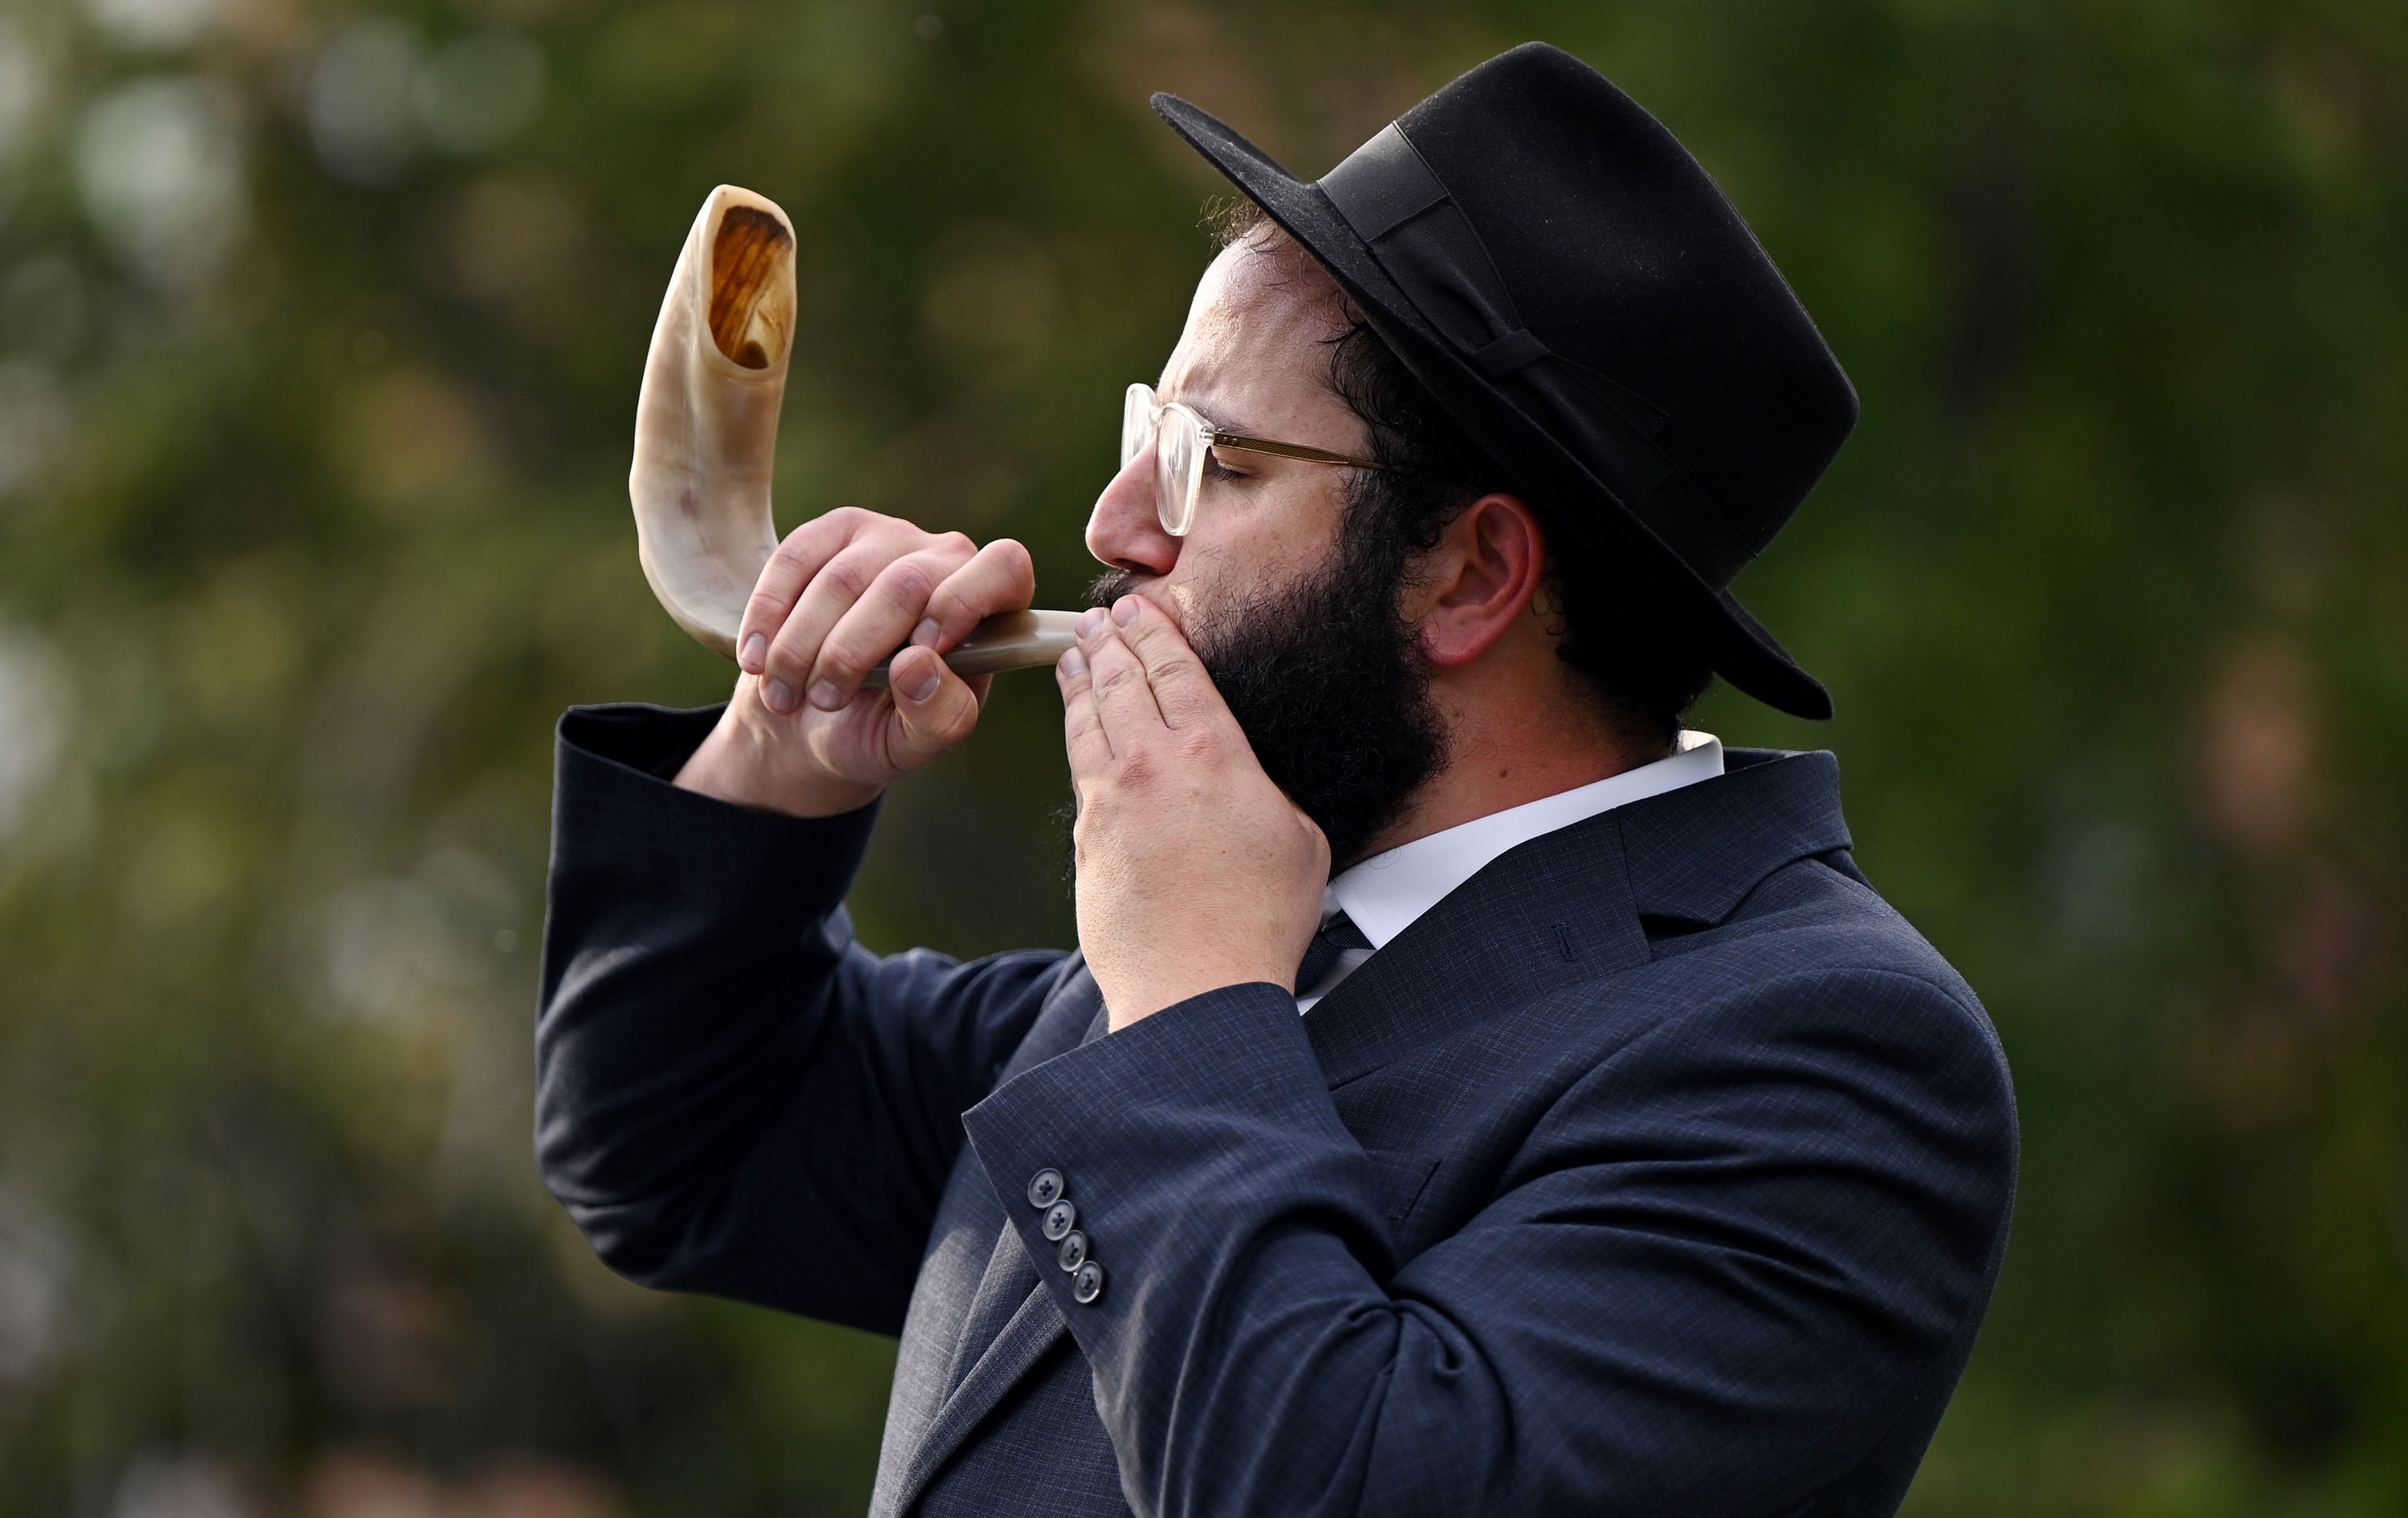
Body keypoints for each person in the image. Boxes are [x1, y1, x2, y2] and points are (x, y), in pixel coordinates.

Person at [536, 42, 2017, 1518]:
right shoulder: (1229, 948)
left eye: (1214, 463)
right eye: (1148, 435)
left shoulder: (1826, 1062)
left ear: (1470, 575)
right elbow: (675, 1151)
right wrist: (782, 761)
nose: (1113, 525)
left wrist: (1190, 1002)